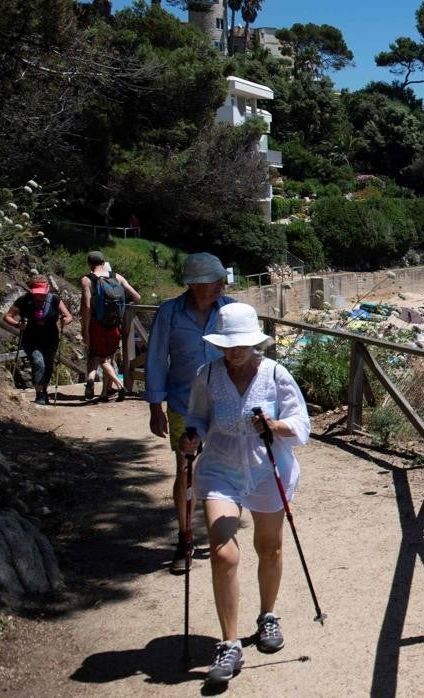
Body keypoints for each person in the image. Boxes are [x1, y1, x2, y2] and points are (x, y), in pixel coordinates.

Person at [178, 303, 311, 685]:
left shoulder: (274, 373)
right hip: (220, 469)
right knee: (223, 553)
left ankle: (268, 616)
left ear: (255, 343)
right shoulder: (207, 376)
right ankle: (229, 642)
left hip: (267, 470)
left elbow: (302, 424)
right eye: (227, 344)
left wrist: (274, 424)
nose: (234, 351)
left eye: (241, 344)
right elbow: (198, 419)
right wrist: (191, 438)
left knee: (269, 548)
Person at [145, 253, 235, 574]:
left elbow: (249, 352)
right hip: (184, 405)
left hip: (225, 405)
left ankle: (222, 534)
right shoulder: (169, 313)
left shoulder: (230, 309)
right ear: (196, 284)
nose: (222, 286)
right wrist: (155, 407)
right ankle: (184, 539)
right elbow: (156, 359)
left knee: (225, 471)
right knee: (187, 471)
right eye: (216, 280)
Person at [80, 251, 141, 401]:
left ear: (89, 264)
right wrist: (124, 309)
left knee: (99, 358)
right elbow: (137, 297)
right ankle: (104, 393)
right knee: (108, 357)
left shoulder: (87, 280)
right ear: (103, 261)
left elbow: (87, 307)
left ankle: (112, 384)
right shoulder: (116, 277)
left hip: (97, 324)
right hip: (114, 325)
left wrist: (85, 329)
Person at [3, 275, 72, 405]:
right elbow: (7, 316)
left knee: (48, 363)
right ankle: (39, 394)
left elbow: (68, 316)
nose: (40, 296)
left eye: (42, 293)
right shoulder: (24, 300)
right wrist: (18, 325)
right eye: (37, 294)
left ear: (48, 290)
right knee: (38, 362)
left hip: (51, 339)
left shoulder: (55, 300)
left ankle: (44, 391)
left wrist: (65, 320)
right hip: (31, 339)